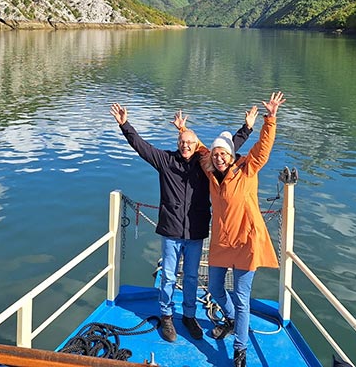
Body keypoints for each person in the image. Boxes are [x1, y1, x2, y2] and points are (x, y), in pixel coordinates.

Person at [109, 102, 257, 343]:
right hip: (170, 232)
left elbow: (228, 149)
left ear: (194, 144)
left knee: (190, 277)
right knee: (168, 276)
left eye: (190, 142)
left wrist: (247, 129)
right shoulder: (165, 161)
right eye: (182, 142)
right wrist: (125, 125)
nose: (186, 145)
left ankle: (189, 315)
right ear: (178, 143)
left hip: (196, 233)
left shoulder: (204, 163)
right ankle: (166, 316)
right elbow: (141, 147)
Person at [199, 91, 285, 367]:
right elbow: (197, 147)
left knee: (242, 296)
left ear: (231, 154)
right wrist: (182, 130)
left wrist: (269, 118)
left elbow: (263, 148)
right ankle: (233, 319)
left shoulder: (247, 168)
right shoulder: (211, 173)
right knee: (214, 287)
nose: (220, 157)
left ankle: (240, 348)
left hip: (246, 242)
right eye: (216, 154)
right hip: (222, 242)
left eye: (224, 153)